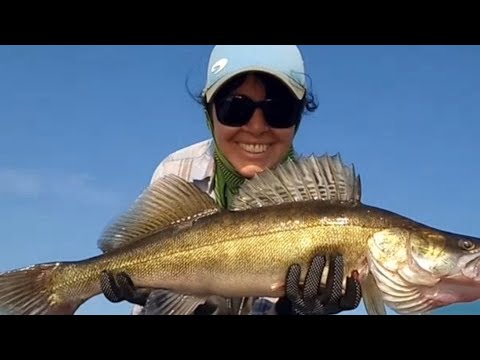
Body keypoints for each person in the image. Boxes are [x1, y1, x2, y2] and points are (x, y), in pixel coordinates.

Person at [99, 45, 363, 315]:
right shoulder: (178, 172)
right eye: (234, 108)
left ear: (297, 119)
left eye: (279, 110)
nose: (257, 127)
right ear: (209, 114)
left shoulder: (323, 199)